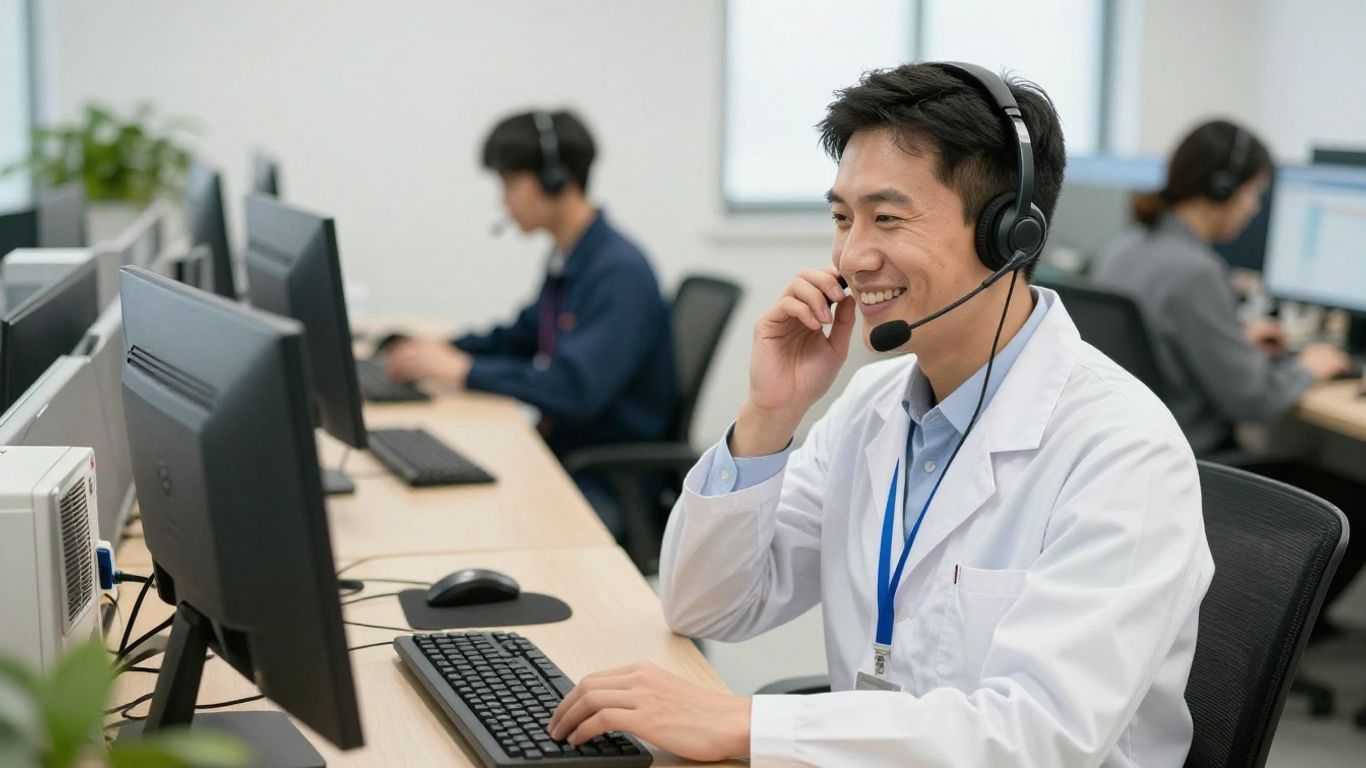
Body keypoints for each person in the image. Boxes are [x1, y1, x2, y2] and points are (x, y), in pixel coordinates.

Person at [546, 62, 1214, 766]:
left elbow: (1038, 738)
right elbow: (704, 606)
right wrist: (769, 412)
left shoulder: (1122, 452)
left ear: (1009, 234)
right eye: (842, 218)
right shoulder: (874, 406)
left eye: (887, 218)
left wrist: (750, 728)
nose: (851, 256)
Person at [1092, 119, 1364, 627]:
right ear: (1222, 190)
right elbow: (1252, 400)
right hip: (1199, 459)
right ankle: (1277, 638)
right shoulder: (1195, 271)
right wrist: (1308, 366)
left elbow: (1169, 337)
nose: (1255, 208)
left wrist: (1235, 336)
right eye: (1253, 194)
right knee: (1355, 498)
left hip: (1132, 453)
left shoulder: (1128, 246)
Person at [385, 109, 675, 533]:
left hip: (603, 479)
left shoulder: (618, 273)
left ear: (556, 179)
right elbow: (521, 335)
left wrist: (463, 370)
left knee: (461, 519)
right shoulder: (572, 257)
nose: (503, 200)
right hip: (564, 454)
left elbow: (574, 388)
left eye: (510, 183)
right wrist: (443, 347)